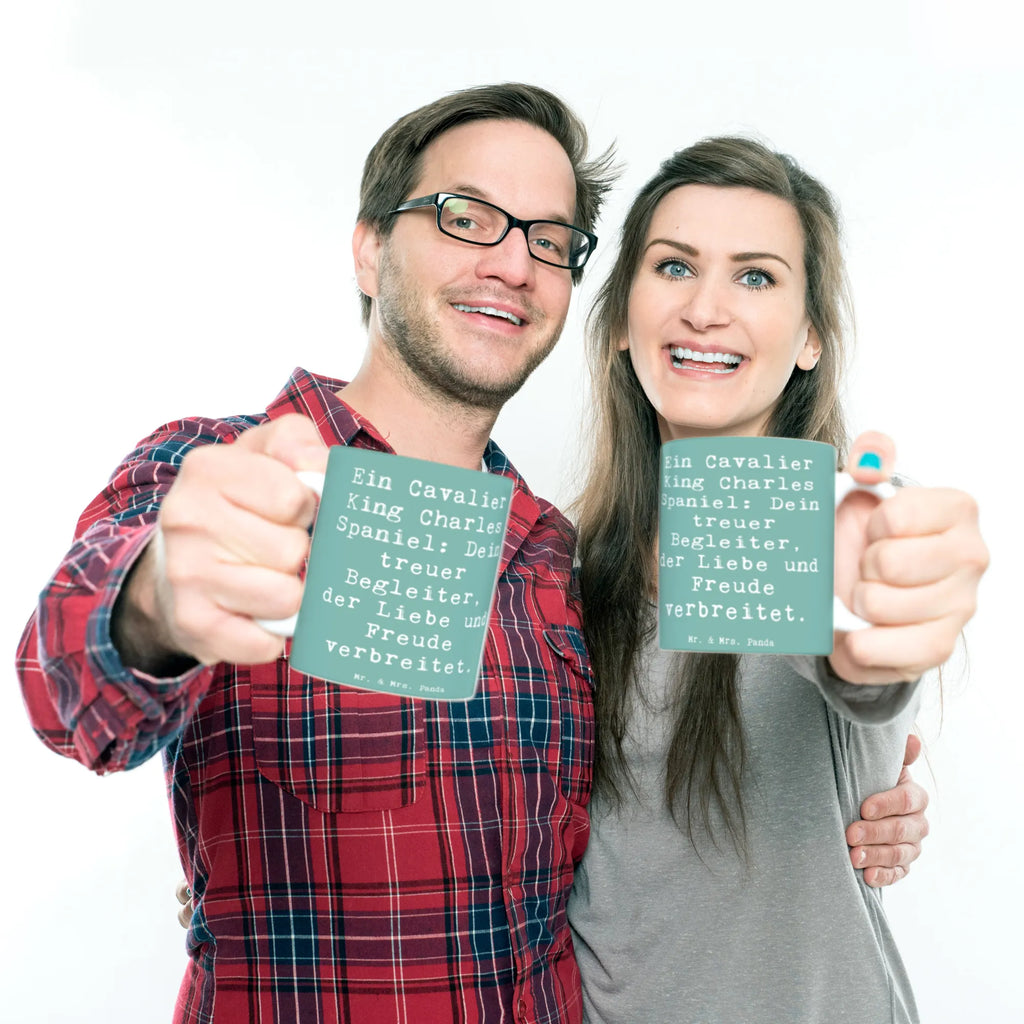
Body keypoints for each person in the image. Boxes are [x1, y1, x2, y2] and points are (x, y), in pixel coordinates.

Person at [17, 84, 946, 1024]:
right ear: (371, 247)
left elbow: (851, 664)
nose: (511, 262)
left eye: (548, 239)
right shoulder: (218, 473)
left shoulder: (552, 558)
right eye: (466, 218)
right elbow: (67, 690)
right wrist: (159, 603)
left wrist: (878, 748)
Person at [568, 136, 989, 1023]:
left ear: (809, 341)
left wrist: (882, 623)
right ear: (618, 321)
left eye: (755, 277)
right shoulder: (565, 570)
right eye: (674, 266)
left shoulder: (844, 525)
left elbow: (861, 659)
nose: (707, 309)